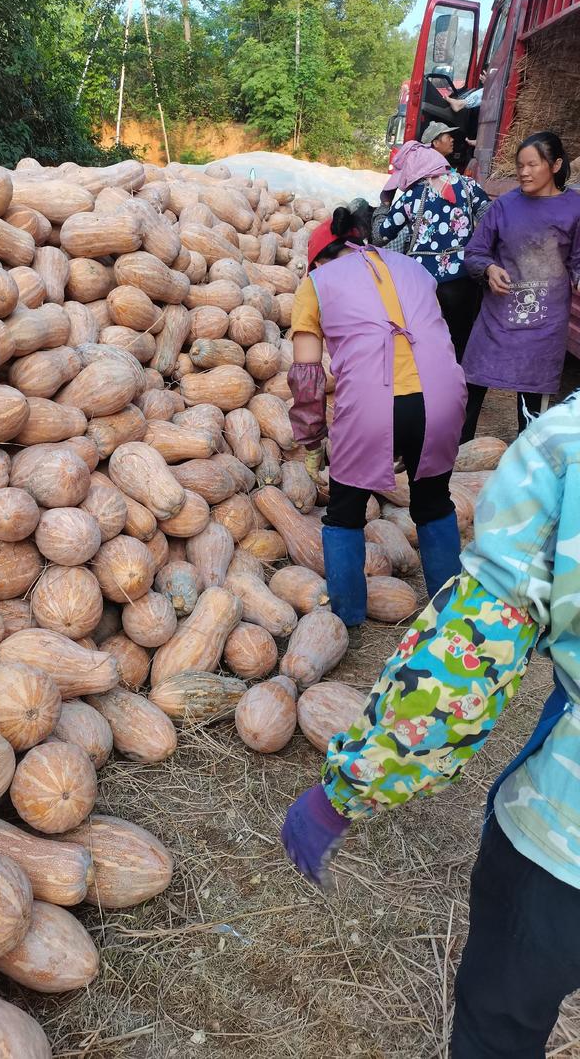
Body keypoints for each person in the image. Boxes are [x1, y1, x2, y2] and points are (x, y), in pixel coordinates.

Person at [281, 391, 580, 1057]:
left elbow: (464, 662)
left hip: (566, 840)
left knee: (497, 1028)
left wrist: (344, 791)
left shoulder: (568, 444)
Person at [289, 207, 467, 627]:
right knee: (434, 503)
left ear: (317, 260)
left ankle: (347, 619)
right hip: (442, 398)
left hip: (374, 406)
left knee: (344, 514)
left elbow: (308, 376)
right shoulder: (412, 267)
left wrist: (312, 436)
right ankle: (453, 618)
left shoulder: (316, 284)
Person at [460, 131, 580, 442]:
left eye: (532, 165)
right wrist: (489, 268)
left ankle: (525, 465)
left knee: (532, 410)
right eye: (520, 165)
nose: (524, 172)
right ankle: (455, 461)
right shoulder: (505, 206)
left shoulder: (574, 209)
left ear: (555, 165)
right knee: (469, 394)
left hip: (544, 325)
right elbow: (474, 252)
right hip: (496, 319)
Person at [372, 140, 490, 362]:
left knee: (422, 342)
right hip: (462, 279)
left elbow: (380, 236)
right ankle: (456, 389)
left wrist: (384, 204)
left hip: (421, 282)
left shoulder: (411, 196)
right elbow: (490, 221)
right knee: (459, 342)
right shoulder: (469, 186)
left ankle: (428, 386)